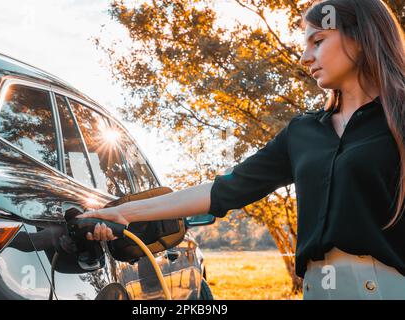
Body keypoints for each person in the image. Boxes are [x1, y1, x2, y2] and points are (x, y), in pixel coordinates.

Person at [78, 0, 405, 300]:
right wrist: (123, 213)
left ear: (360, 37)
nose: (305, 57)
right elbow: (223, 190)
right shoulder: (302, 133)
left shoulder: (400, 117)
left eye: (318, 42)